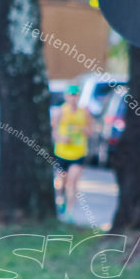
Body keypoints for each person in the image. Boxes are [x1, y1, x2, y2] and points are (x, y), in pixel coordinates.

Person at [52, 84, 94, 222]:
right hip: (62, 152)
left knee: (72, 181)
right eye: (70, 94)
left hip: (78, 152)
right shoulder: (61, 111)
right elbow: (54, 131)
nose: (73, 97)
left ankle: (70, 212)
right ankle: (60, 200)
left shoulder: (84, 112)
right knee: (61, 182)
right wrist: (61, 137)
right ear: (66, 96)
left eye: (75, 94)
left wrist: (85, 131)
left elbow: (90, 130)